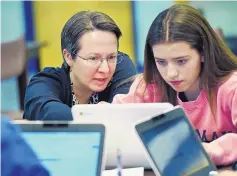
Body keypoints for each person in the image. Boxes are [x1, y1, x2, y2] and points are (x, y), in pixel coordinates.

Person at [112, 5, 237, 166]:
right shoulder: (147, 87)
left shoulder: (231, 87)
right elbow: (114, 125)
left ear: (204, 53)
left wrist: (211, 150)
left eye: (181, 61)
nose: (171, 73)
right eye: (161, 62)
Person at [23, 11, 136, 121]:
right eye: (93, 58)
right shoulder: (44, 83)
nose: (105, 69)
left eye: (111, 57)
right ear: (68, 57)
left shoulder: (121, 65)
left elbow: (126, 111)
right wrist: (99, 114)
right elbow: (52, 114)